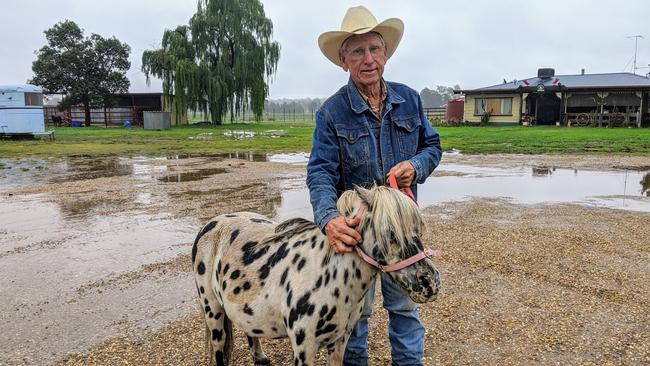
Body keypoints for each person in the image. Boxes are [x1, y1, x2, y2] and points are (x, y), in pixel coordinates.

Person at [306, 5, 442, 366]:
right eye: (358, 51)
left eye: (375, 49)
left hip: (400, 232)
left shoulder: (410, 100)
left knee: (405, 311)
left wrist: (417, 165)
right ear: (343, 60)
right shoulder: (331, 113)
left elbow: (433, 146)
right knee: (355, 317)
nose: (368, 59)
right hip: (357, 235)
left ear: (386, 53)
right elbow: (320, 173)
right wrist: (328, 220)